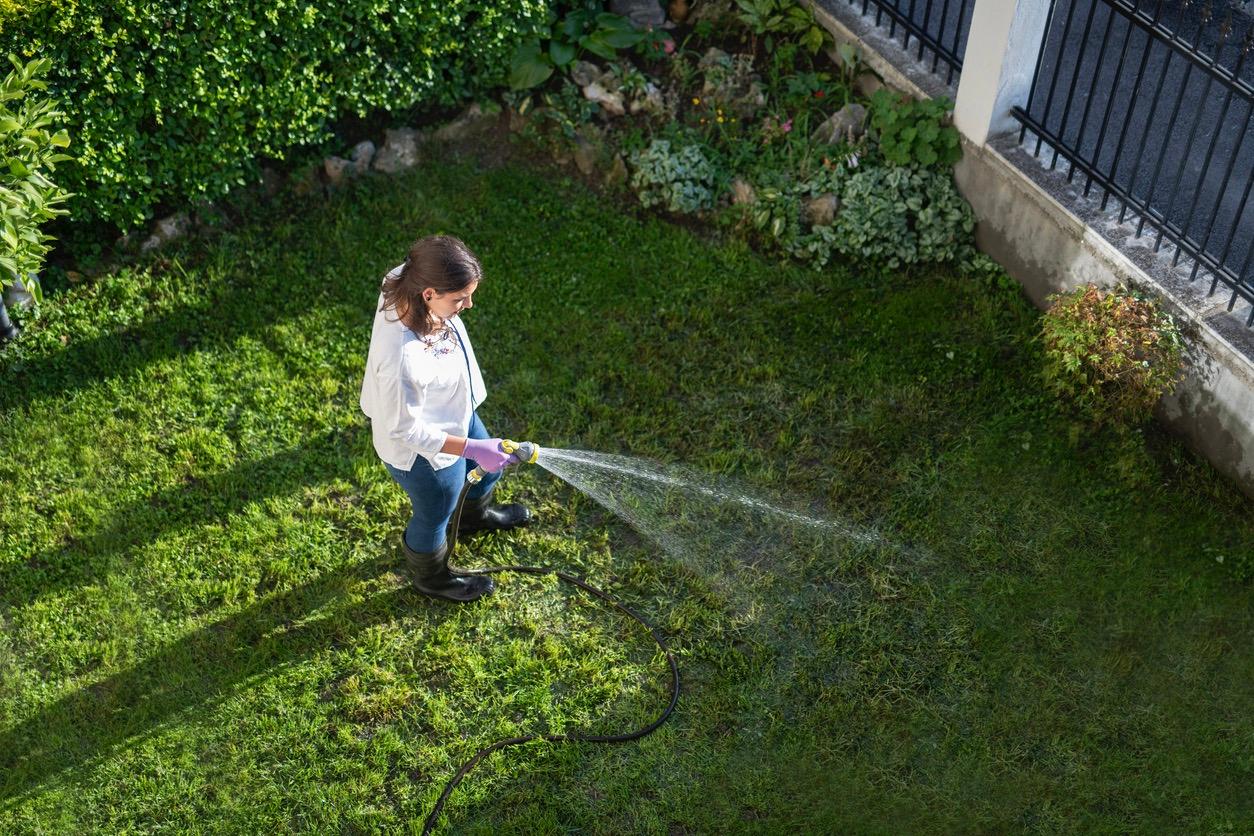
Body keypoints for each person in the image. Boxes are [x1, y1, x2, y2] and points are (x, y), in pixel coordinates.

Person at [360, 235, 532, 603]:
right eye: (459, 299)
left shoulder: (406, 279)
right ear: (429, 294)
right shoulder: (401, 360)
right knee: (437, 508)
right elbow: (404, 429)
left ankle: (472, 518)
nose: (469, 305)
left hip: (453, 413)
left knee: (490, 468)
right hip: (421, 452)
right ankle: (432, 578)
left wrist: (474, 444)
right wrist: (471, 447)